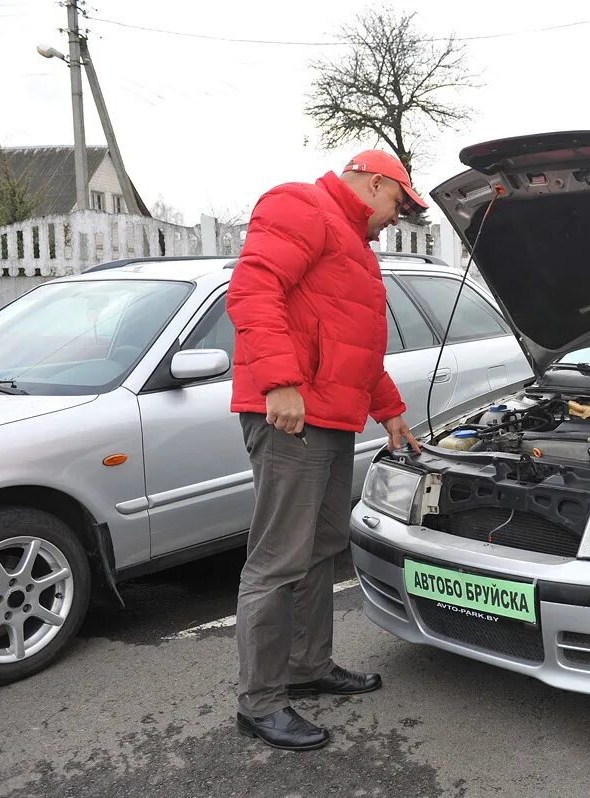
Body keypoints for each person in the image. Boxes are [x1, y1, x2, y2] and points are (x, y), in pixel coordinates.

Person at [226, 150, 426, 751]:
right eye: (398, 202)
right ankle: (259, 702)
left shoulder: (356, 247)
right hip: (292, 416)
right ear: (373, 181)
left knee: (320, 548)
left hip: (333, 419)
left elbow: (355, 347)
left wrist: (387, 410)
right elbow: (252, 290)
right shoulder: (301, 205)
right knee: (278, 560)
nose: (397, 217)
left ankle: (308, 668)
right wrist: (279, 382)